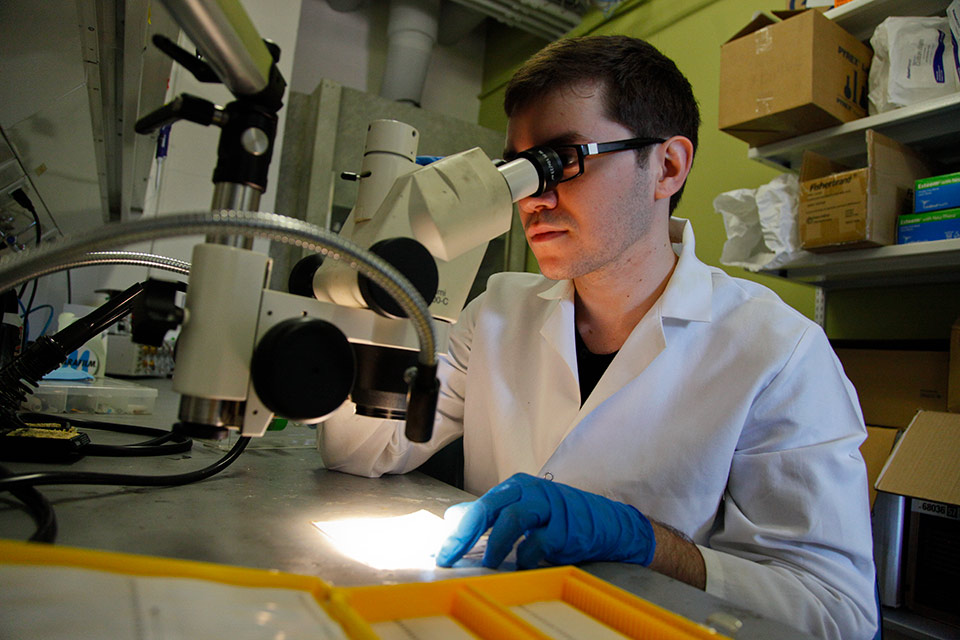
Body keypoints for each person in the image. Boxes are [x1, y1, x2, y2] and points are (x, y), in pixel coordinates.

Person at [320, 35, 878, 640]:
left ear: (667, 166)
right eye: (517, 171)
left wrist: (644, 543)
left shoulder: (777, 352)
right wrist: (398, 263)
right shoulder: (494, 314)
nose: (534, 196)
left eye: (562, 160)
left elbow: (836, 615)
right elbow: (360, 451)